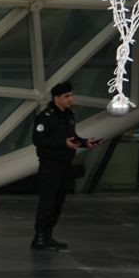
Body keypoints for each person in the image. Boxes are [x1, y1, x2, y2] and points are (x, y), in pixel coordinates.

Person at [30, 81, 97, 251]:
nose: (70, 99)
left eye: (71, 95)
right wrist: (62, 143)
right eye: (67, 96)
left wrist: (84, 142)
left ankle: (48, 236)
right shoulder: (45, 117)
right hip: (50, 166)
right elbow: (38, 140)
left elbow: (71, 137)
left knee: (58, 202)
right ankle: (39, 238)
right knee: (48, 202)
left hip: (65, 165)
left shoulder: (68, 115)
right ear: (56, 98)